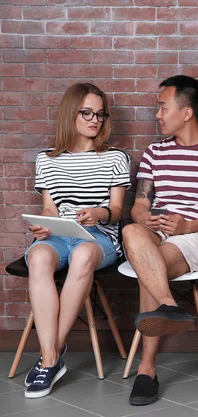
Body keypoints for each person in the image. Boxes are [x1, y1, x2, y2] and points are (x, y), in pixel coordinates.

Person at [122, 75, 198, 406]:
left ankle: (147, 369)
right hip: (155, 231)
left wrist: (186, 226)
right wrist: (145, 217)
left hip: (197, 234)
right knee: (132, 231)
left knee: (150, 266)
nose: (157, 115)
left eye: (162, 107)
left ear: (186, 112)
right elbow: (140, 204)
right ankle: (168, 305)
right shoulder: (155, 153)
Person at [23, 83, 131, 398]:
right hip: (59, 235)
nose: (95, 119)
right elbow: (48, 208)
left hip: (99, 236)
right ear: (71, 113)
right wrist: (43, 227)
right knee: (40, 257)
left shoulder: (115, 157)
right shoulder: (47, 159)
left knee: (84, 254)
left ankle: (48, 358)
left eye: (100, 114)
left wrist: (98, 213)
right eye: (87, 112)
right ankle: (53, 357)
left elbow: (117, 210)